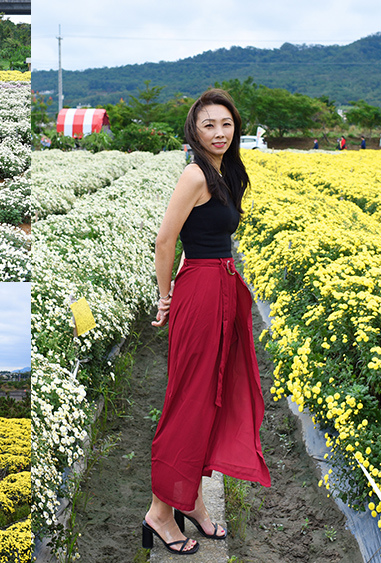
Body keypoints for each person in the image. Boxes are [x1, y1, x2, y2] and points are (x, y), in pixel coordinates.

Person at [142, 89, 271, 556]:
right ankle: (160, 512)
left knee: (215, 397)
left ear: (236, 127)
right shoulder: (195, 174)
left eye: (226, 124)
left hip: (222, 288)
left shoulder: (226, 173)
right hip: (201, 291)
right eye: (208, 125)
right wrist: (165, 298)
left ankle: (191, 500)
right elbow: (165, 240)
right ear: (194, 132)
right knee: (191, 400)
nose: (219, 133)